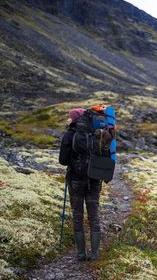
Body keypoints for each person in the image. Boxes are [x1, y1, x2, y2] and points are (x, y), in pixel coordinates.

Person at [58, 107, 102, 261]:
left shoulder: (69, 135)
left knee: (77, 216)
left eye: (69, 117)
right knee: (94, 216)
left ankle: (81, 254)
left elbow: (63, 161)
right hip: (94, 180)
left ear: (75, 118)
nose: (67, 120)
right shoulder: (96, 134)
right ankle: (95, 254)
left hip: (75, 180)